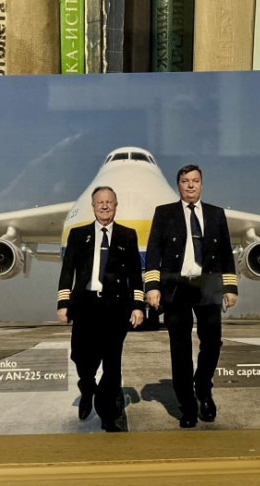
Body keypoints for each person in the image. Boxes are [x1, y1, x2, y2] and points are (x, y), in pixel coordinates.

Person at [144, 165, 238, 428]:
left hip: (208, 285)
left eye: (195, 180)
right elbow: (153, 251)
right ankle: (187, 406)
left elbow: (226, 253)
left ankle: (203, 389)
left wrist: (230, 287)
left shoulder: (216, 214)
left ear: (202, 184)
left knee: (213, 342)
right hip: (176, 286)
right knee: (180, 347)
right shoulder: (164, 213)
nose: (190, 185)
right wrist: (152, 286)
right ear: (179, 185)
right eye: (185, 181)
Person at [57, 186, 145, 432]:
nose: (104, 206)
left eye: (109, 202)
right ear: (93, 206)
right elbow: (67, 271)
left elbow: (135, 275)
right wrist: (63, 303)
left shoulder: (128, 235)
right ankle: (87, 389)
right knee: (82, 358)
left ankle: (107, 415)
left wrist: (138, 306)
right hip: (85, 306)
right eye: (100, 202)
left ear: (115, 205)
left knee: (112, 363)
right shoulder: (78, 234)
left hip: (115, 308)